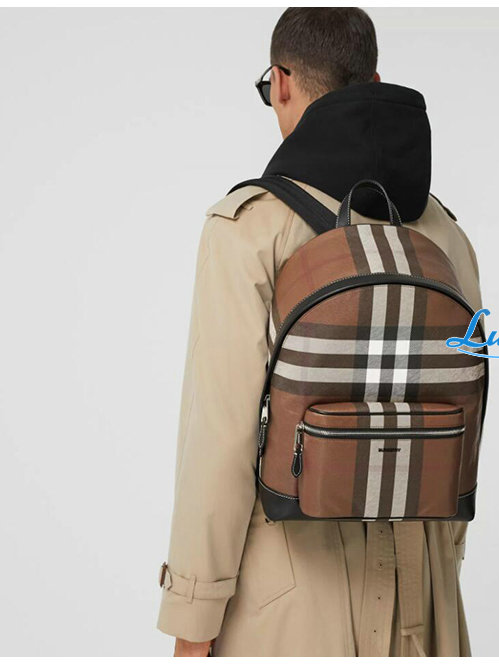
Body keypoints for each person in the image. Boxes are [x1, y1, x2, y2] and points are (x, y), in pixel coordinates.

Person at [157, 7, 482, 657]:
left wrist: (194, 617)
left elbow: (220, 436)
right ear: (374, 82)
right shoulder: (443, 231)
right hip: (429, 599)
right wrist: (441, 566)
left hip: (289, 600)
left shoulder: (250, 227)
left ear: (280, 82)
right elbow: (462, 412)